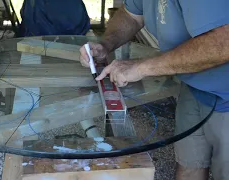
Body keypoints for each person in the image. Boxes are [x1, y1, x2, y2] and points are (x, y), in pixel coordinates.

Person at [79, 1, 229, 180]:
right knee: (190, 165)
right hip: (194, 86)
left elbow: (223, 42)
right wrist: (105, 45)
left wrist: (141, 67)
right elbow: (131, 16)